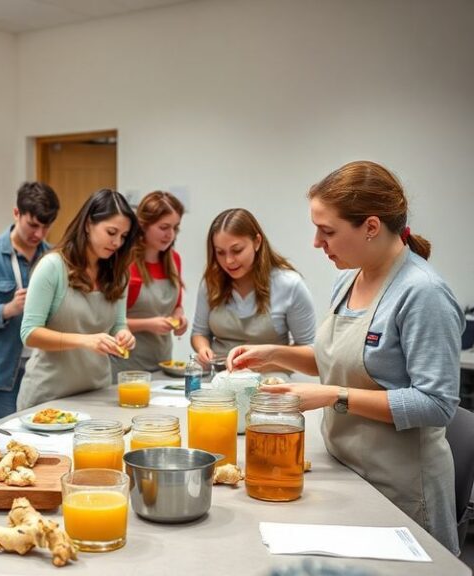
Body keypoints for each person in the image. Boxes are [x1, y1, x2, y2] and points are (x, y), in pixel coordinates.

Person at [227, 161, 463, 554]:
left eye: (328, 231)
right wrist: (273, 354)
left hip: (399, 489)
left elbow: (436, 404)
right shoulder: (348, 278)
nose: (317, 243)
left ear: (371, 227)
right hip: (347, 469)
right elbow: (338, 358)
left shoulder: (422, 294)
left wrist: (333, 396)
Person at [17, 188, 139, 409]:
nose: (117, 243)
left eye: (123, 237)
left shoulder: (119, 273)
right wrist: (85, 340)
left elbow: (119, 324)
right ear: (87, 224)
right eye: (111, 232)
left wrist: (124, 334)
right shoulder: (53, 267)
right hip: (49, 398)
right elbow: (29, 333)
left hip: (98, 393)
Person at [0, 182, 60, 421]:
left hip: (44, 368)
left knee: (45, 438)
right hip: (4, 370)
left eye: (46, 227)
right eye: (33, 225)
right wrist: (8, 309)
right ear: (16, 213)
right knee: (6, 437)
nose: (39, 234)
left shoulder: (54, 258)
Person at [190, 208, 316, 370]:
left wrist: (270, 354)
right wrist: (203, 349)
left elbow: (309, 350)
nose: (228, 261)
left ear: (257, 242)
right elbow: (199, 333)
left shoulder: (289, 284)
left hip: (270, 384)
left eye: (237, 250)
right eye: (220, 253)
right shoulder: (211, 282)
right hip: (220, 378)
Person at [112, 190, 188, 374]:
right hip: (125, 367)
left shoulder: (174, 260)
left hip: (162, 363)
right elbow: (109, 322)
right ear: (143, 225)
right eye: (164, 227)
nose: (170, 234)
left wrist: (180, 318)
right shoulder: (123, 263)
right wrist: (148, 324)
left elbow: (176, 306)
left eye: (175, 228)